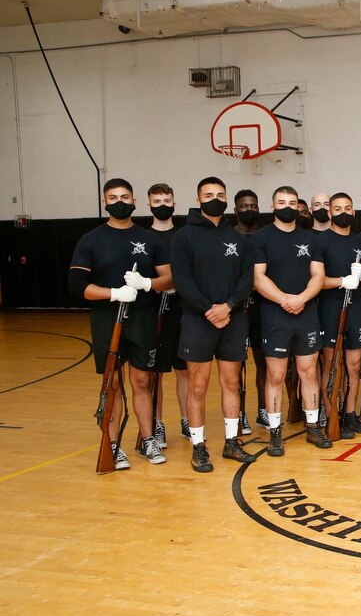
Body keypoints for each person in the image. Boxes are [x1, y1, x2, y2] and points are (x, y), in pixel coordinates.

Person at [69, 178, 171, 469]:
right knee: (111, 384)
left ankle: (148, 438)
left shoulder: (150, 239)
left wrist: (147, 283)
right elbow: (77, 285)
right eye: (113, 198)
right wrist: (113, 293)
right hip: (106, 319)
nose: (120, 202)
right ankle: (112, 444)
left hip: (142, 318)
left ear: (135, 201)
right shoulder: (90, 239)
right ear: (105, 203)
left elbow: (169, 277)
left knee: (142, 381)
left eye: (125, 196)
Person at [169, 176, 257, 472]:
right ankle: (198, 446)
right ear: (198, 200)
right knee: (198, 385)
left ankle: (231, 442)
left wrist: (228, 306)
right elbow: (182, 280)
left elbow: (247, 279)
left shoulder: (239, 238)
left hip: (233, 319)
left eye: (220, 194)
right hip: (198, 320)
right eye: (209, 195)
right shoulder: (184, 237)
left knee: (231, 383)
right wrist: (210, 309)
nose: (215, 199)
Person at [251, 185, 331, 455]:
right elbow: (258, 277)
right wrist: (285, 300)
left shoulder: (311, 239)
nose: (287, 206)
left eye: (292, 202)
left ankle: (312, 427)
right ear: (272, 205)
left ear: (299, 206)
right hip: (275, 314)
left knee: (309, 372)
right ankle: (275, 432)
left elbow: (318, 276)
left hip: (306, 314)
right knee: (275, 374)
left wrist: (301, 299)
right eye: (281, 201)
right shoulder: (261, 238)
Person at [316, 192, 361, 436]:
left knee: (354, 364)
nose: (343, 212)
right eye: (337, 208)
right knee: (332, 364)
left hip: (356, 308)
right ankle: (332, 417)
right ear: (330, 213)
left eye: (347, 208)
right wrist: (341, 281)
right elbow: (316, 280)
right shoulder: (320, 242)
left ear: (353, 212)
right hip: (330, 308)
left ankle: (350, 415)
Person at [145, 183, 189, 449]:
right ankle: (157, 423)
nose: (162, 204)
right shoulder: (143, 237)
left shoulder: (183, 235)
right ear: (149, 204)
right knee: (155, 374)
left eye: (167, 200)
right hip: (153, 310)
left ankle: (187, 419)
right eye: (157, 200)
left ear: (174, 203)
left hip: (183, 310)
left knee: (184, 371)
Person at [233, 189, 267, 432]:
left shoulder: (264, 238)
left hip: (263, 308)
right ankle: (240, 413)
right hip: (237, 309)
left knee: (264, 362)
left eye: (253, 206)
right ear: (236, 210)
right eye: (244, 206)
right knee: (236, 365)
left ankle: (263, 410)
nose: (249, 210)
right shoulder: (229, 238)